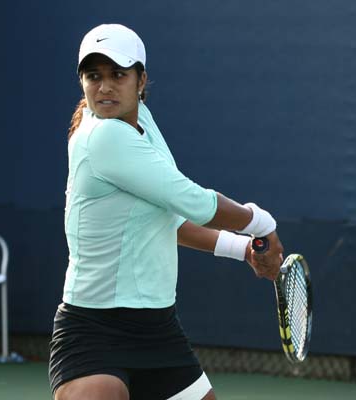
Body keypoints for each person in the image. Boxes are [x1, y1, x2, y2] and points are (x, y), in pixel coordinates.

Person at [48, 23, 284, 400]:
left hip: (158, 330)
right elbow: (196, 203)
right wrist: (261, 223)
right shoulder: (103, 136)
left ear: (141, 80)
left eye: (118, 75)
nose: (105, 87)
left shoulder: (142, 121)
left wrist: (242, 249)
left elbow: (169, 220)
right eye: (94, 76)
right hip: (95, 331)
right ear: (82, 82)